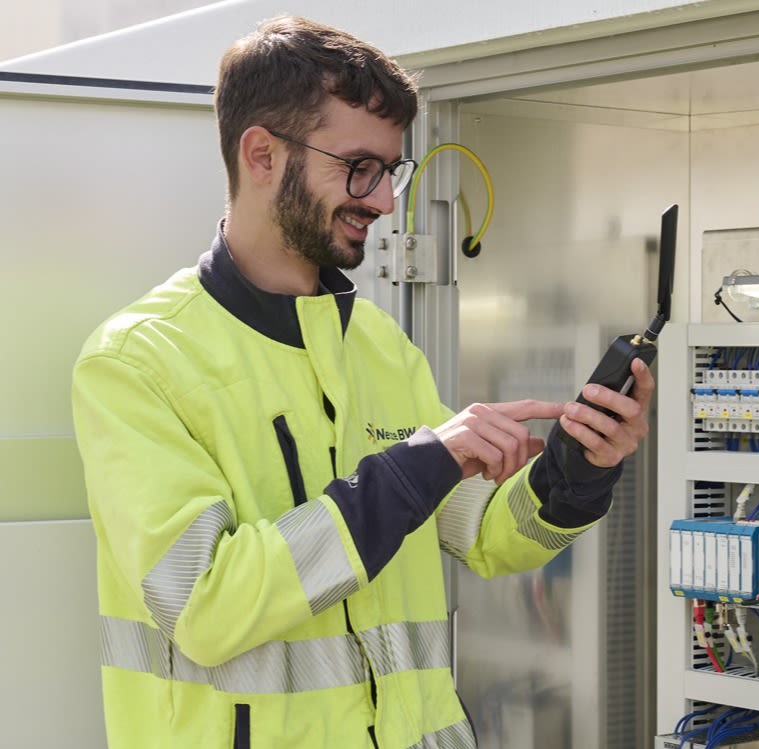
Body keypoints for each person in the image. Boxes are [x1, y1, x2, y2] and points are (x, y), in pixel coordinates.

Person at [70, 15, 653, 749]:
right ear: (261, 154)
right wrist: (413, 469)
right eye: (359, 167)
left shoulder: (376, 342)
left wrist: (574, 472)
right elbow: (204, 606)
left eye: (390, 172)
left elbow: (477, 530)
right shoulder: (136, 362)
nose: (381, 200)